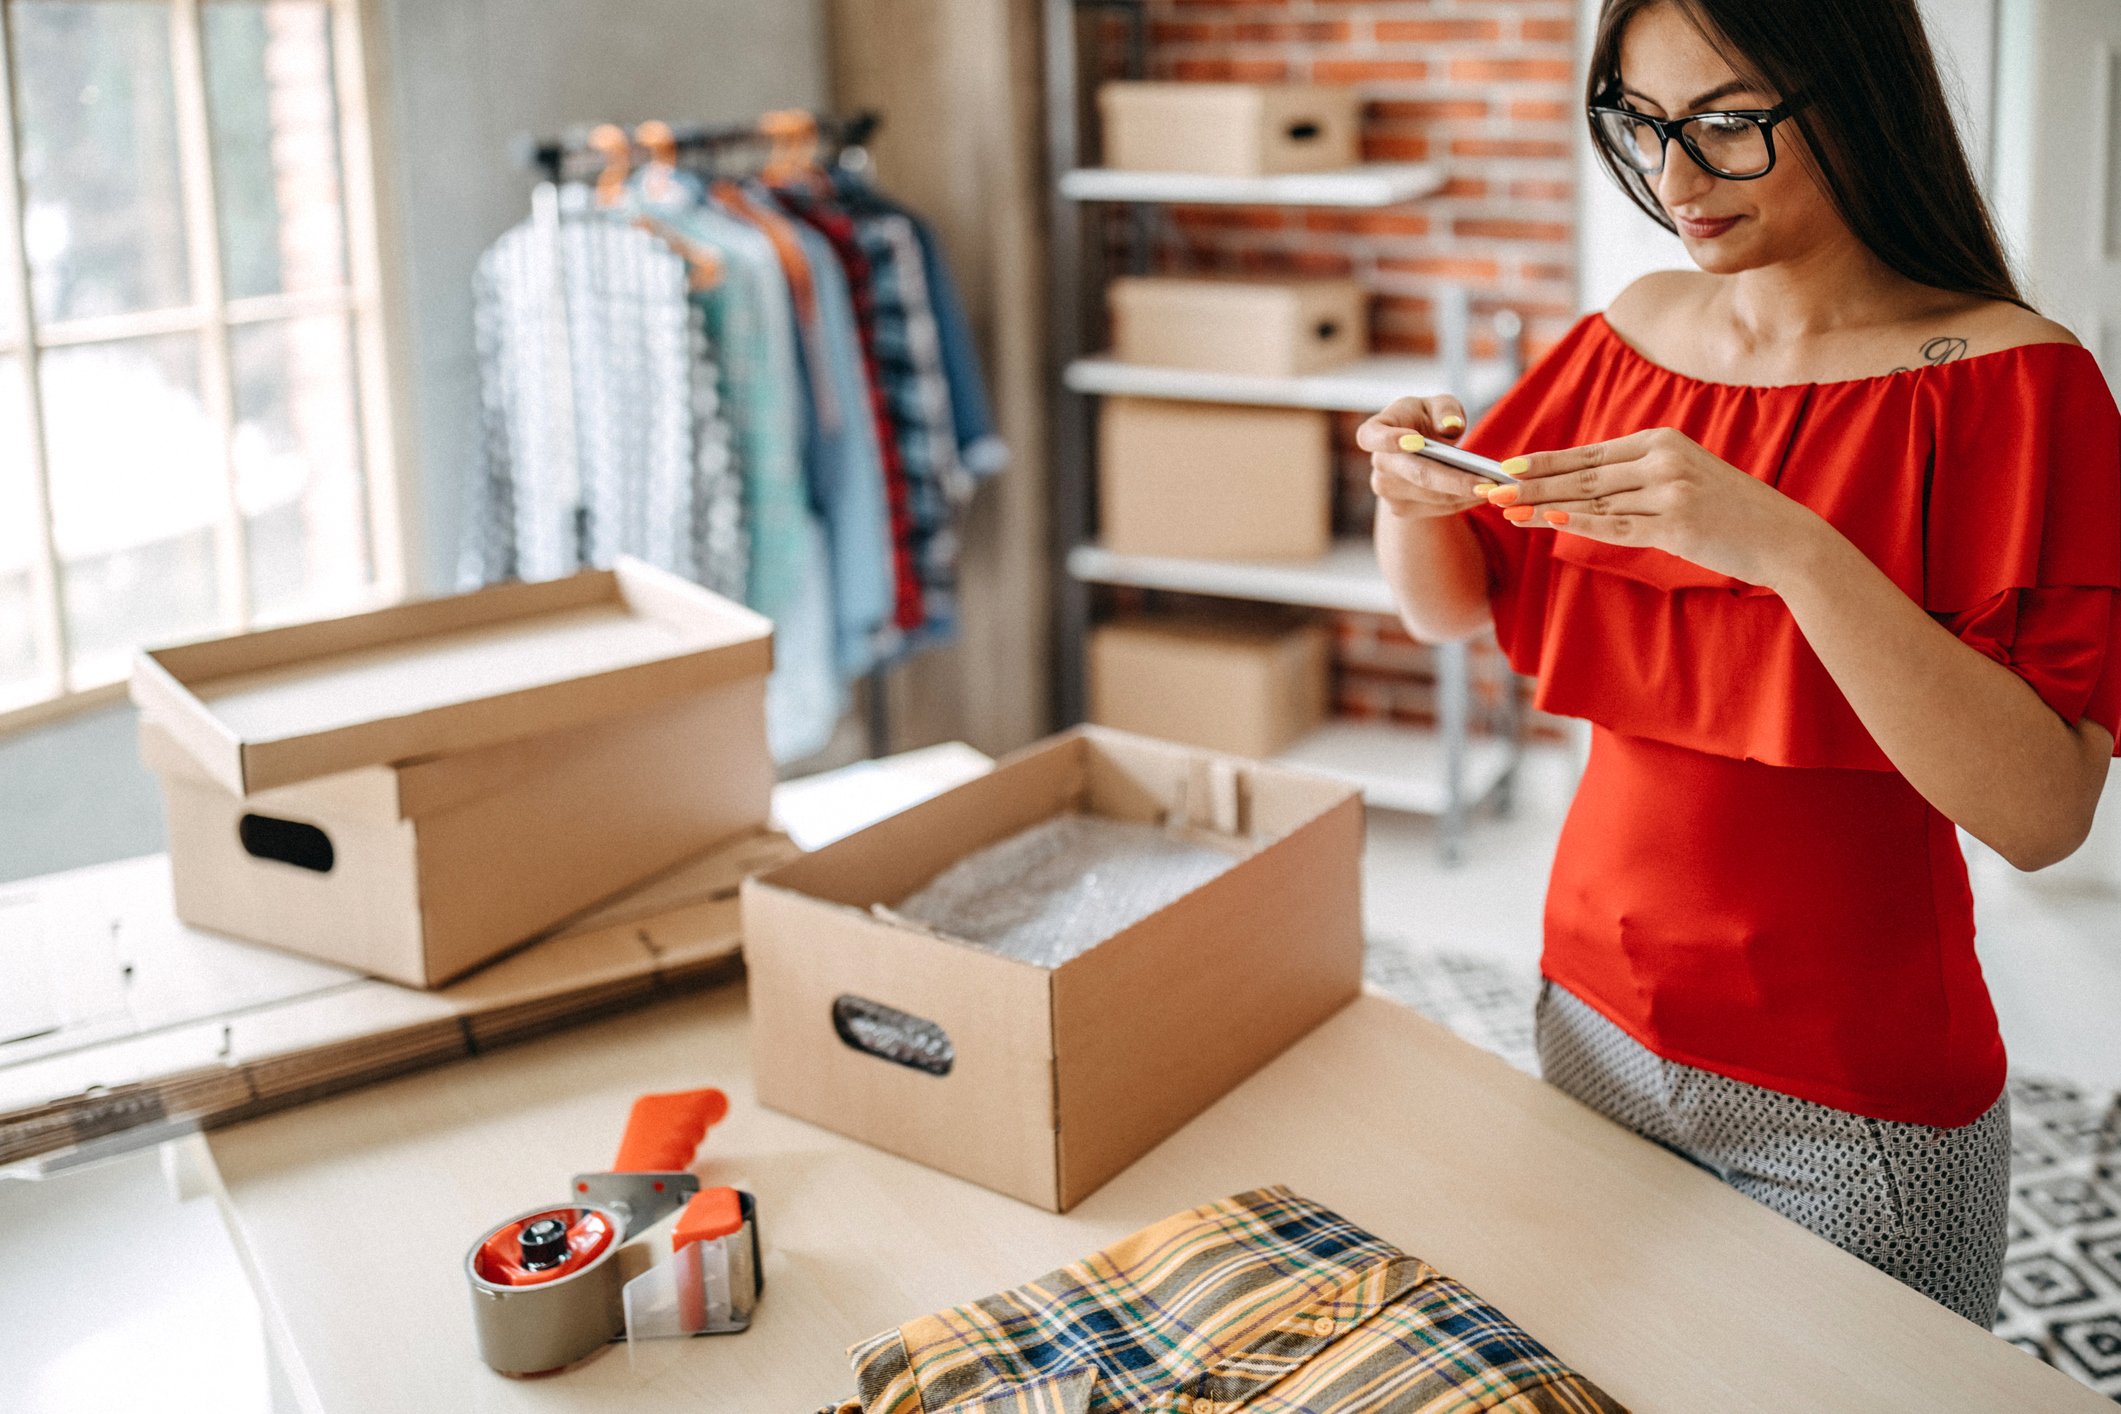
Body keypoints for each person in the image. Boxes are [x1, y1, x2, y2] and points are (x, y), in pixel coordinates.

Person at [1364, 0, 2120, 1327]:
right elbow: (1448, 611)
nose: (1673, 182)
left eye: (1723, 124)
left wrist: (1786, 545)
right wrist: (1405, 495)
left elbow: (2041, 814)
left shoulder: (2016, 383)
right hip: (1586, 1018)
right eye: (1643, 126)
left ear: (1856, 105)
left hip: (1852, 1098)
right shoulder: (1630, 330)